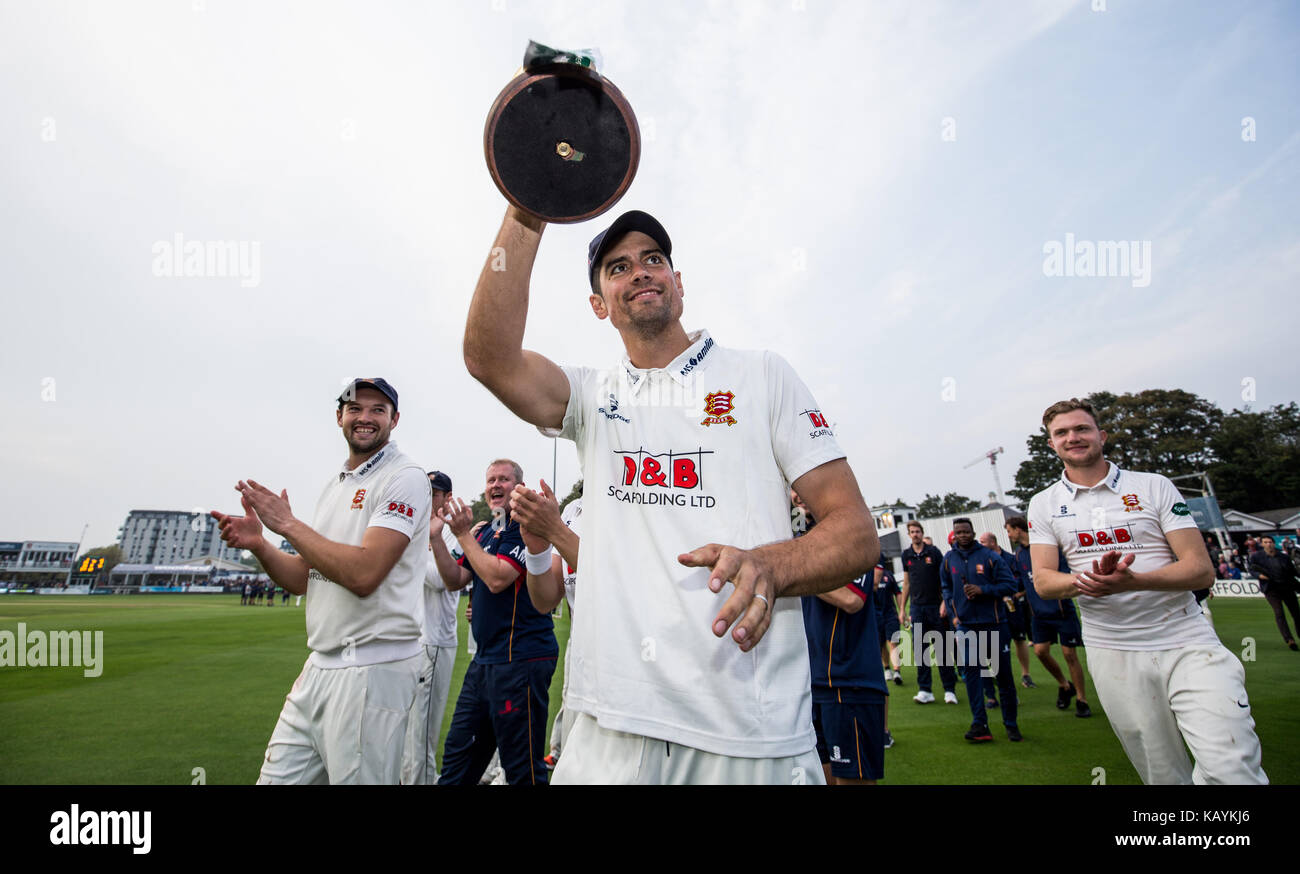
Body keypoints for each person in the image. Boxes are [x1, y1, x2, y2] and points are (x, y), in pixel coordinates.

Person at [461, 205, 876, 784]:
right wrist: (529, 204)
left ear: (678, 283)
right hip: (608, 726)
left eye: (654, 259)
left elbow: (856, 533)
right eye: (618, 267)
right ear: (599, 305)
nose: (641, 272)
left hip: (747, 737)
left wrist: (772, 563)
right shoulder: (589, 394)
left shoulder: (761, 375)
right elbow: (488, 358)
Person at [1027, 398, 1266, 784]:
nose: (1073, 437)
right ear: (1052, 444)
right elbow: (1044, 581)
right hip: (1112, 649)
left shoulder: (1153, 485)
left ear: (1101, 436)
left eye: (1082, 429)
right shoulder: (1043, 504)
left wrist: (1135, 581)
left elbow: (1200, 570)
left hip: (1186, 639)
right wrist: (1089, 582)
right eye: (1062, 433)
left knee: (1232, 768)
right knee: (1163, 775)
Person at [212, 377, 430, 784]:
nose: (365, 418)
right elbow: (306, 576)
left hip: (372, 670)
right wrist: (261, 543)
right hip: (318, 667)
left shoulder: (406, 477)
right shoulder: (336, 484)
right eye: (355, 409)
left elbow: (364, 574)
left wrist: (288, 524)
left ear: (394, 420)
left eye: (377, 410)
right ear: (339, 417)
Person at [434, 460, 561, 786]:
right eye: (491, 479)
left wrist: (463, 534)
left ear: (518, 486)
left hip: (521, 660)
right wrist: (437, 539)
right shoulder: (488, 530)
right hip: (486, 662)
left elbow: (496, 579)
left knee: (522, 771)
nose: (495, 485)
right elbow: (456, 578)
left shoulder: (525, 527)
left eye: (504, 479)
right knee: (457, 762)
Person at [793, 490, 888, 781]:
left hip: (850, 683)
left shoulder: (852, 540)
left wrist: (792, 570)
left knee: (853, 778)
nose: (798, 496)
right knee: (822, 777)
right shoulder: (802, 543)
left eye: (805, 489)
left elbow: (851, 599)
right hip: (813, 683)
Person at [508, 483, 581, 769]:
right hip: (581, 656)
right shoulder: (574, 509)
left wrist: (555, 530)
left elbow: (621, 586)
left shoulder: (636, 501)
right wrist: (536, 550)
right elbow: (545, 598)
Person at [402, 470, 465, 785]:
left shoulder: (455, 533)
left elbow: (443, 580)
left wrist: (406, 554)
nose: (428, 496)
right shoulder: (414, 528)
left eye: (435, 492)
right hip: (407, 640)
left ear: (447, 497)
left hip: (435, 640)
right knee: (403, 730)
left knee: (420, 734)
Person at [941, 518, 1021, 742]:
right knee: (973, 677)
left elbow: (1011, 586)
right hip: (966, 627)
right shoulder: (949, 559)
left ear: (973, 533)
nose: (963, 535)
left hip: (994, 624)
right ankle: (980, 724)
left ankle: (1011, 724)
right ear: (954, 535)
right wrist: (954, 612)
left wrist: (983, 590)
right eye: (959, 532)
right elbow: (946, 587)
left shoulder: (989, 557)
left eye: (966, 531)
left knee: (1003, 677)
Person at [1005, 516, 1092, 718]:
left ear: (1018, 530)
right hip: (1038, 613)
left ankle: (1082, 699)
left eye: (1010, 530)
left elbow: (1063, 574)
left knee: (1070, 655)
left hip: (1061, 609)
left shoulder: (1046, 548)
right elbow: (1019, 581)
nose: (1009, 535)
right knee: (1040, 652)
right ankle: (1064, 684)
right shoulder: (1018, 555)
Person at [899, 521, 958, 705]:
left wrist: (944, 602)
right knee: (920, 651)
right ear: (909, 535)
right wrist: (902, 608)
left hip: (936, 606)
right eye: (912, 532)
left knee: (942, 649)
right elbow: (906, 583)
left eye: (917, 531)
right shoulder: (906, 555)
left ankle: (949, 689)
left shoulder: (934, 552)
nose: (915, 534)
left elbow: (944, 579)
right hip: (917, 608)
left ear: (922, 533)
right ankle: (925, 690)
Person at [978, 532, 1035, 689]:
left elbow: (1020, 580)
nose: (980, 544)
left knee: (1019, 638)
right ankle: (996, 674)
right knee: (992, 642)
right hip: (992, 607)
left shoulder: (1011, 559)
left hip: (1012, 606)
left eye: (983, 542)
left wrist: (1011, 592)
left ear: (992, 542)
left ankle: (1026, 674)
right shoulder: (982, 560)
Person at [1249, 535, 1300, 651]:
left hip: (1287, 586)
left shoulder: (1283, 557)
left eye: (1270, 542)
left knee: (1296, 614)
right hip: (1271, 588)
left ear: (1273, 543)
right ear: (1262, 544)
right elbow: (1251, 569)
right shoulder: (1256, 557)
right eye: (1265, 542)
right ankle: (1289, 640)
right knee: (1279, 613)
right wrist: (1259, 576)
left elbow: (1293, 571)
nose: (1268, 544)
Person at [874, 559, 904, 688]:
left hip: (890, 615)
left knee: (893, 642)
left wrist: (901, 610)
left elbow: (898, 593)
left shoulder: (888, 575)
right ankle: (887, 668)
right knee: (881, 645)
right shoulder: (868, 576)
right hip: (876, 616)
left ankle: (897, 671)